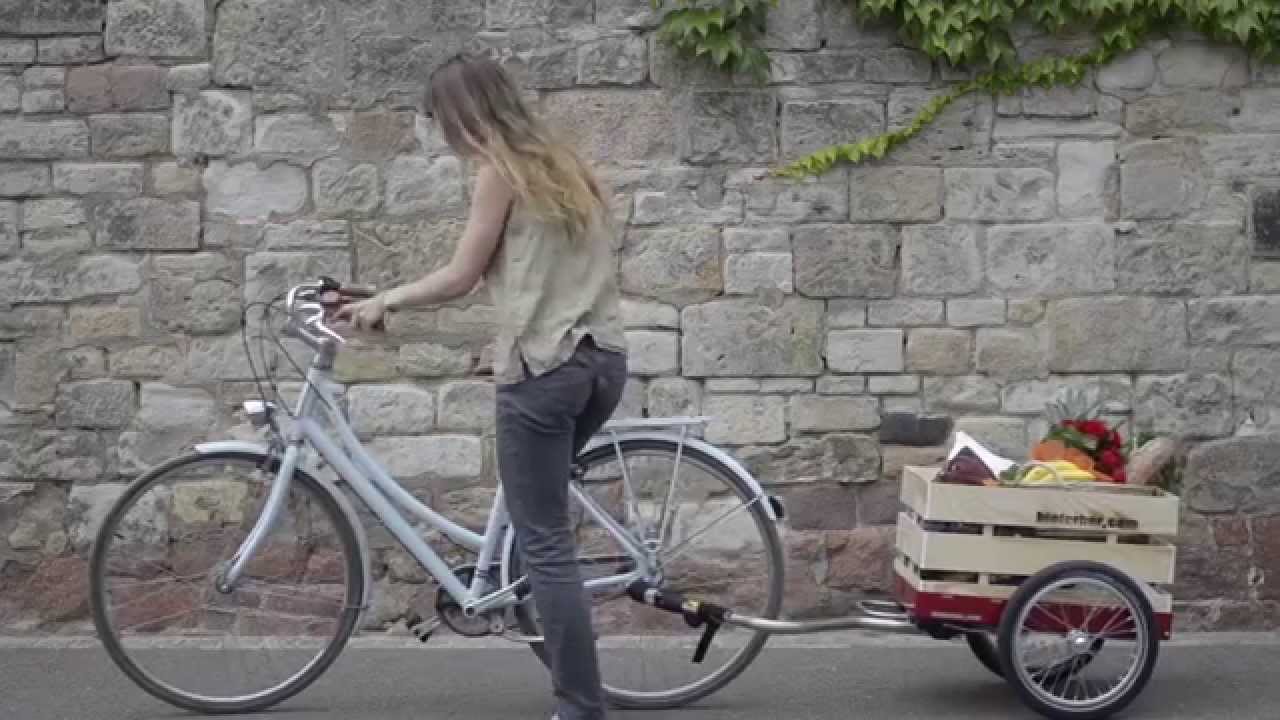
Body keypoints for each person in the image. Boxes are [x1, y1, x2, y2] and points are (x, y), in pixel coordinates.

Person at [335, 54, 626, 720]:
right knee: (538, 529)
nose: (443, 135)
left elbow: (462, 275)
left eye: (442, 120)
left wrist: (388, 300)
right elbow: (555, 275)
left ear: (464, 115)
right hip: (600, 362)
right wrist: (508, 346)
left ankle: (580, 706)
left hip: (547, 374)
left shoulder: (501, 171)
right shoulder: (566, 163)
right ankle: (562, 659)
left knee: (545, 544)